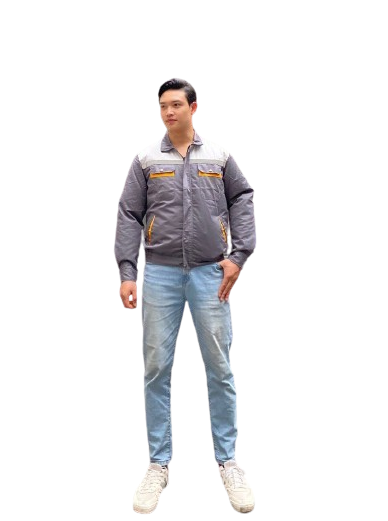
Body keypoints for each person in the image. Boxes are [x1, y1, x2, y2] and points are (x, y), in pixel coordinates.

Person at [114, 78, 256, 514]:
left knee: (220, 368)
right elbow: (129, 213)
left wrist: (238, 256)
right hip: (160, 275)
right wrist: (127, 271)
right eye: (163, 106)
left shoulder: (219, 156)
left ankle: (228, 462)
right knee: (156, 369)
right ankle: (158, 465)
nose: (168, 112)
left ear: (193, 107)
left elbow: (242, 198)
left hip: (211, 274)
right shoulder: (146, 159)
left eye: (176, 104)